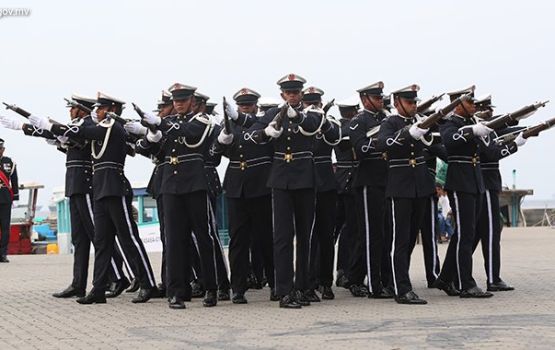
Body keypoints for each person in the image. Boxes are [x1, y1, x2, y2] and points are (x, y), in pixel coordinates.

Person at [29, 92, 158, 304]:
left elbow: (81, 130)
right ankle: (98, 289)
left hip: (115, 188)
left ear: (111, 110)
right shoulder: (99, 129)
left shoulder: (112, 128)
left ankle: (147, 283)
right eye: (96, 108)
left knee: (129, 238)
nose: (96, 112)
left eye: (100, 108)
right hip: (99, 189)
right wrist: (42, 130)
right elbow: (77, 136)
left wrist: (51, 126)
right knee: (101, 240)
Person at [245, 73, 325, 308]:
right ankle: (284, 290)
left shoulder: (311, 113)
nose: (292, 95)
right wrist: (265, 134)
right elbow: (249, 137)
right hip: (280, 178)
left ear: (301, 93)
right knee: (282, 237)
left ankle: (303, 286)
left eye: (295, 92)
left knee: (305, 236)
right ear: (282, 94)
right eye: (288, 92)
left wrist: (297, 117)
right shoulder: (271, 114)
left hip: (305, 177)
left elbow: (313, 127)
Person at [140, 83, 220, 309]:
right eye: (176, 101)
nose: (179, 104)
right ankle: (176, 291)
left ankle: (211, 287)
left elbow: (190, 133)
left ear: (192, 101)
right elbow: (156, 152)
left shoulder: (202, 120)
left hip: (194, 183)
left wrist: (160, 124)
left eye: (183, 100)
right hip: (171, 185)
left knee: (204, 237)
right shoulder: (168, 124)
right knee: (174, 240)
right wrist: (151, 136)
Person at [213, 87, 275, 304]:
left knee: (266, 237)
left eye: (249, 104)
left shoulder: (262, 123)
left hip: (260, 185)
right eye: (242, 105)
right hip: (236, 186)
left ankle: (275, 283)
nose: (246, 107)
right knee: (238, 240)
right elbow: (214, 154)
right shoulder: (228, 126)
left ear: (256, 105)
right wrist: (221, 141)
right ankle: (238, 287)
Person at [434, 86, 494, 298]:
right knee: (465, 234)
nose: (474, 106)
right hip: (460, 183)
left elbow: (488, 152)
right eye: (470, 102)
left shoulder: (472, 123)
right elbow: (450, 142)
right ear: (457, 105)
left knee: (468, 233)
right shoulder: (449, 123)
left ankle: (445, 277)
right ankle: (466, 283)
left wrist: (508, 138)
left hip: (475, 181)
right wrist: (472, 131)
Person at [377, 84, 435, 305]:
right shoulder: (389, 123)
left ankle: (402, 280)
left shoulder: (420, 121)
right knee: (399, 240)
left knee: (410, 239)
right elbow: (382, 144)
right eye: (410, 102)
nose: (414, 106)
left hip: (420, 185)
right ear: (398, 102)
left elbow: (434, 143)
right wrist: (406, 134)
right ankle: (401, 288)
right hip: (400, 187)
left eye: (415, 102)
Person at [348, 82, 393, 299]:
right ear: (365, 99)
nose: (381, 100)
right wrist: (384, 140)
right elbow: (360, 148)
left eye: (381, 97)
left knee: (384, 234)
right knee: (370, 235)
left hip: (386, 181)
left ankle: (384, 279)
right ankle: (367, 283)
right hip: (368, 181)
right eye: (376, 98)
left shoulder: (385, 118)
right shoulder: (359, 121)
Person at [0, 138, 18, 263]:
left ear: (3, 149)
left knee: (5, 227)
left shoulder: (9, 162)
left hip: (5, 199)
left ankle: (3, 253)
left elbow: (14, 180)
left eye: (0, 148)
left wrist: (16, 197)